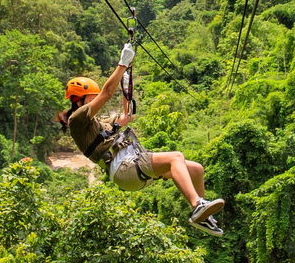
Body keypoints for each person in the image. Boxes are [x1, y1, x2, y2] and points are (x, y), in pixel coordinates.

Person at [55, 43, 224, 236]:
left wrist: (125, 85)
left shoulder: (97, 123)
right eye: (91, 99)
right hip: (124, 167)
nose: (95, 102)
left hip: (130, 167)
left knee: (196, 169)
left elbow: (125, 118)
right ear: (79, 100)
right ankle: (197, 205)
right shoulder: (77, 120)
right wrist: (122, 64)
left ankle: (204, 216)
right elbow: (106, 93)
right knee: (176, 157)